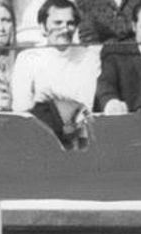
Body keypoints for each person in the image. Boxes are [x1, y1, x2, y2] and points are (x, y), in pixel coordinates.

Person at [11, 0, 99, 146]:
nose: (65, 29)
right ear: (43, 27)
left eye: (70, 23)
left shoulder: (89, 58)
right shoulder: (27, 58)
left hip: (78, 140)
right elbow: (22, 109)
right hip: (37, 139)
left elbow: (84, 108)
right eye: (57, 23)